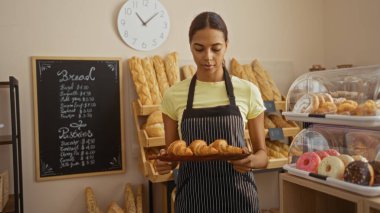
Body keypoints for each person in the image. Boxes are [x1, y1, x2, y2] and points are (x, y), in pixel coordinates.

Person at [155, 11, 268, 213]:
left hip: (239, 200)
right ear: (190, 46)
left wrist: (251, 161)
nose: (208, 57)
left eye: (216, 49)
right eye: (199, 49)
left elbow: (263, 155)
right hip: (192, 200)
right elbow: (172, 155)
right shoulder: (174, 95)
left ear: (226, 45)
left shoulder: (248, 90)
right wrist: (165, 163)